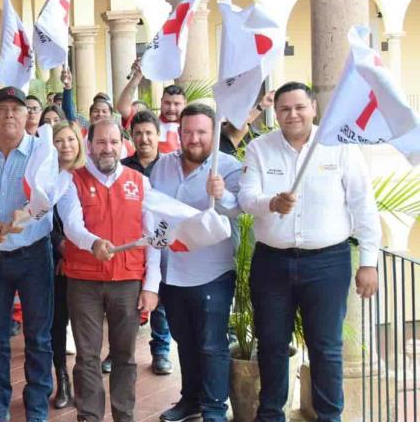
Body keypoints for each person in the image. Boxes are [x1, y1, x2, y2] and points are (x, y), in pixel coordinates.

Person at [238, 82, 381, 421]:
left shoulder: (339, 147)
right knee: (271, 345)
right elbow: (246, 199)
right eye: (285, 109)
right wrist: (271, 202)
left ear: (314, 108)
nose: (293, 114)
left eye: (300, 107)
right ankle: (271, 414)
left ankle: (330, 416)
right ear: (276, 113)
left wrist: (369, 262)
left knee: (327, 349)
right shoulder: (260, 148)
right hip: (272, 263)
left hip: (328, 263)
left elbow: (363, 206)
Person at [0, 87, 98, 422]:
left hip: (34, 256)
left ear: (28, 116)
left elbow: (46, 197)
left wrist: (26, 214)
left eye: (17, 109)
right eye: (2, 108)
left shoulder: (42, 152)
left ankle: (36, 406)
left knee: (38, 336)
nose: (10, 114)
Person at [61, 119, 162, 422]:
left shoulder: (139, 181)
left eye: (114, 142)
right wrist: (92, 243)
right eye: (101, 142)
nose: (108, 148)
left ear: (123, 145)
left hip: (128, 280)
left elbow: (152, 236)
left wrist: (151, 286)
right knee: (87, 356)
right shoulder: (71, 180)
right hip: (84, 280)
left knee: (125, 357)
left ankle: (124, 416)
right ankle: (89, 417)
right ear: (89, 145)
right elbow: (71, 224)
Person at [149, 104, 241, 422]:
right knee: (184, 341)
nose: (194, 138)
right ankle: (190, 400)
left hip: (212, 271)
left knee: (211, 344)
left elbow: (240, 209)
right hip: (172, 272)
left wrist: (224, 194)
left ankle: (215, 409)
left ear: (213, 134)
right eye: (188, 132)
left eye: (201, 132)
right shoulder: (161, 166)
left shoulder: (228, 167)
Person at [118, 110, 173, 377]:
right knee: (125, 301)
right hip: (129, 242)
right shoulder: (123, 168)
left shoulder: (169, 166)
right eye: (138, 133)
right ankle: (117, 352)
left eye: (149, 133)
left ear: (157, 135)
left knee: (158, 297)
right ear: (132, 136)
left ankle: (161, 351)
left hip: (162, 241)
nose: (144, 139)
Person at [49, 121, 88, 410]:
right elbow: (42, 218)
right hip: (56, 261)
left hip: (87, 261)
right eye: (59, 140)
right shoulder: (45, 177)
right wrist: (62, 250)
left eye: (70, 139)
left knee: (87, 326)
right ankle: (62, 379)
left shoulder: (88, 175)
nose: (65, 145)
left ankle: (86, 382)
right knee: (57, 322)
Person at [114, 60, 186, 153]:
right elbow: (122, 108)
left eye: (176, 104)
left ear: (185, 103)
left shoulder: (192, 129)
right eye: (167, 103)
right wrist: (136, 77)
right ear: (161, 102)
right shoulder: (149, 124)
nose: (171, 108)